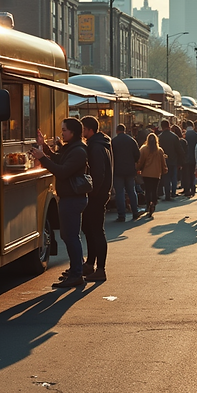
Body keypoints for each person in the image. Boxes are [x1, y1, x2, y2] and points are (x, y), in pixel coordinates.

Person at [31, 118, 90, 288]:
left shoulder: (78, 150)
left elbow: (62, 171)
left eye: (64, 130)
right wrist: (46, 149)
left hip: (73, 198)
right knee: (69, 236)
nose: (62, 133)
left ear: (73, 132)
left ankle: (77, 273)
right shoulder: (73, 147)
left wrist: (43, 158)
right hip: (70, 197)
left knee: (71, 236)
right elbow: (59, 159)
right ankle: (75, 270)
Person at [80, 116, 113, 282]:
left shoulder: (95, 147)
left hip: (96, 196)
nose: (81, 131)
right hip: (99, 194)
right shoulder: (101, 143)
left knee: (96, 231)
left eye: (82, 128)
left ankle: (100, 269)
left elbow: (98, 174)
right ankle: (91, 264)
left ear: (89, 130)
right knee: (90, 229)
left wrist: (91, 193)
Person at [111, 123, 142, 222]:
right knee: (131, 191)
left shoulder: (114, 141)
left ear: (117, 131)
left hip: (118, 170)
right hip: (130, 170)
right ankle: (135, 212)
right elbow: (137, 155)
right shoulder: (131, 140)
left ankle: (121, 215)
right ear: (125, 130)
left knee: (119, 193)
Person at [137, 132, 168, 218]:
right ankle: (153, 203)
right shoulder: (159, 150)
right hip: (156, 173)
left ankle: (148, 205)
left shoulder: (144, 149)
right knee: (154, 190)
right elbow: (163, 162)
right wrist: (164, 170)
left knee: (147, 190)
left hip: (146, 173)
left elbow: (140, 160)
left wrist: (138, 168)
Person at [158, 120, 183, 201]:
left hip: (164, 161)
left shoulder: (160, 137)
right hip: (173, 160)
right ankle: (173, 193)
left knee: (166, 178)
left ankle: (167, 194)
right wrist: (180, 161)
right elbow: (179, 150)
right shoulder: (174, 137)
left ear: (162, 127)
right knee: (174, 177)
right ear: (169, 125)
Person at [183, 122, 197, 197]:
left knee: (186, 174)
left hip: (186, 158)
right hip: (195, 157)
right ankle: (193, 188)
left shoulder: (184, 135)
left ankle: (187, 189)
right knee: (193, 173)